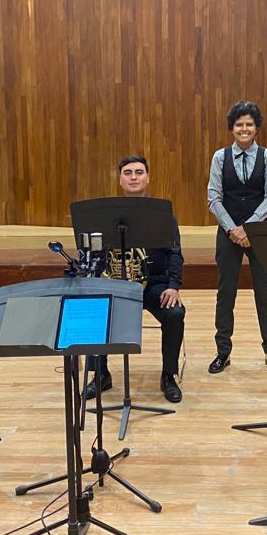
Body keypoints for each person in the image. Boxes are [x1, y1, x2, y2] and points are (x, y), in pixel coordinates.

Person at [84, 156, 185, 403]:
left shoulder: (162, 214)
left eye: (139, 172)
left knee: (175, 313)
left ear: (147, 178)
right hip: (116, 282)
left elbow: (175, 253)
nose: (133, 177)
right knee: (94, 309)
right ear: (120, 180)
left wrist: (173, 286)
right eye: (127, 173)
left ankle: (168, 375)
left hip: (154, 283)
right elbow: (92, 251)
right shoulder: (104, 215)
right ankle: (100, 375)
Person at [207, 101, 267, 375]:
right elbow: (213, 198)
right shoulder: (219, 157)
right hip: (228, 233)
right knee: (226, 293)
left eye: (249, 124)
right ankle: (222, 352)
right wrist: (232, 229)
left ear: (256, 128)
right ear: (232, 129)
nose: (244, 128)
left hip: (259, 233)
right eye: (239, 124)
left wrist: (247, 228)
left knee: (265, 292)